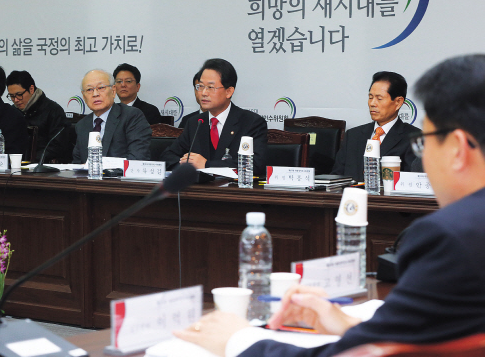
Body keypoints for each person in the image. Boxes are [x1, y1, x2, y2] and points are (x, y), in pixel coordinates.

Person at [174, 54, 485, 357]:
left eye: (426, 143)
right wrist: (347, 323)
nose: (424, 156)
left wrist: (238, 340)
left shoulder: (450, 237)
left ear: (457, 148)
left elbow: (358, 352)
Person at [160, 58, 267, 175]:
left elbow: (255, 165)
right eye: (200, 86)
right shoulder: (195, 122)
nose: (204, 93)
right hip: (197, 191)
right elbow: (167, 156)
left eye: (210, 87)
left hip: (233, 191)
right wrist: (186, 164)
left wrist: (207, 165)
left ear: (229, 92)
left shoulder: (251, 122)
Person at [331, 72, 420, 182]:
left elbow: (413, 182)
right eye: (370, 97)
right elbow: (336, 177)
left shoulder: (414, 139)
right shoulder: (353, 135)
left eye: (379, 98)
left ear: (398, 102)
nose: (372, 103)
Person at [72, 69, 151, 163]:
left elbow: (138, 158)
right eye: (89, 90)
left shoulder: (131, 116)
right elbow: (77, 164)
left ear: (113, 91)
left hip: (119, 177)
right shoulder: (82, 125)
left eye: (101, 88)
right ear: (84, 97)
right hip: (88, 177)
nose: (95, 94)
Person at [6, 71, 71, 162]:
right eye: (12, 96)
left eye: (19, 95)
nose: (16, 100)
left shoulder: (53, 110)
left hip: (43, 167)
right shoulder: (13, 112)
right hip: (16, 163)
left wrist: (30, 159)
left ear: (31, 89)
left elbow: (58, 145)